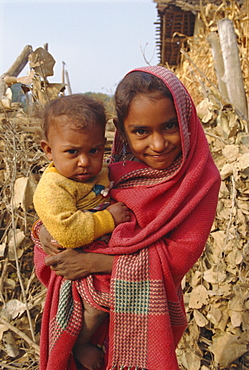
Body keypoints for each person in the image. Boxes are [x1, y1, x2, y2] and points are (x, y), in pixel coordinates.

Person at [32, 66, 221, 370]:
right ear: (122, 130)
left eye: (170, 126)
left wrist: (91, 263)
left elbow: (177, 258)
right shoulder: (112, 169)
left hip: (141, 307)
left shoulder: (198, 181)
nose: (158, 144)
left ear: (186, 121)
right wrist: (43, 232)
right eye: (141, 132)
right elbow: (75, 207)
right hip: (80, 303)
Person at [33, 94, 130, 370]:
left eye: (95, 151)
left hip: (97, 251)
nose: (85, 162)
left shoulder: (100, 172)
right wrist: (108, 219)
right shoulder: (53, 186)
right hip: (73, 258)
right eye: (72, 152)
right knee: (97, 304)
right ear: (49, 151)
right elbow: (66, 233)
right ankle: (80, 343)